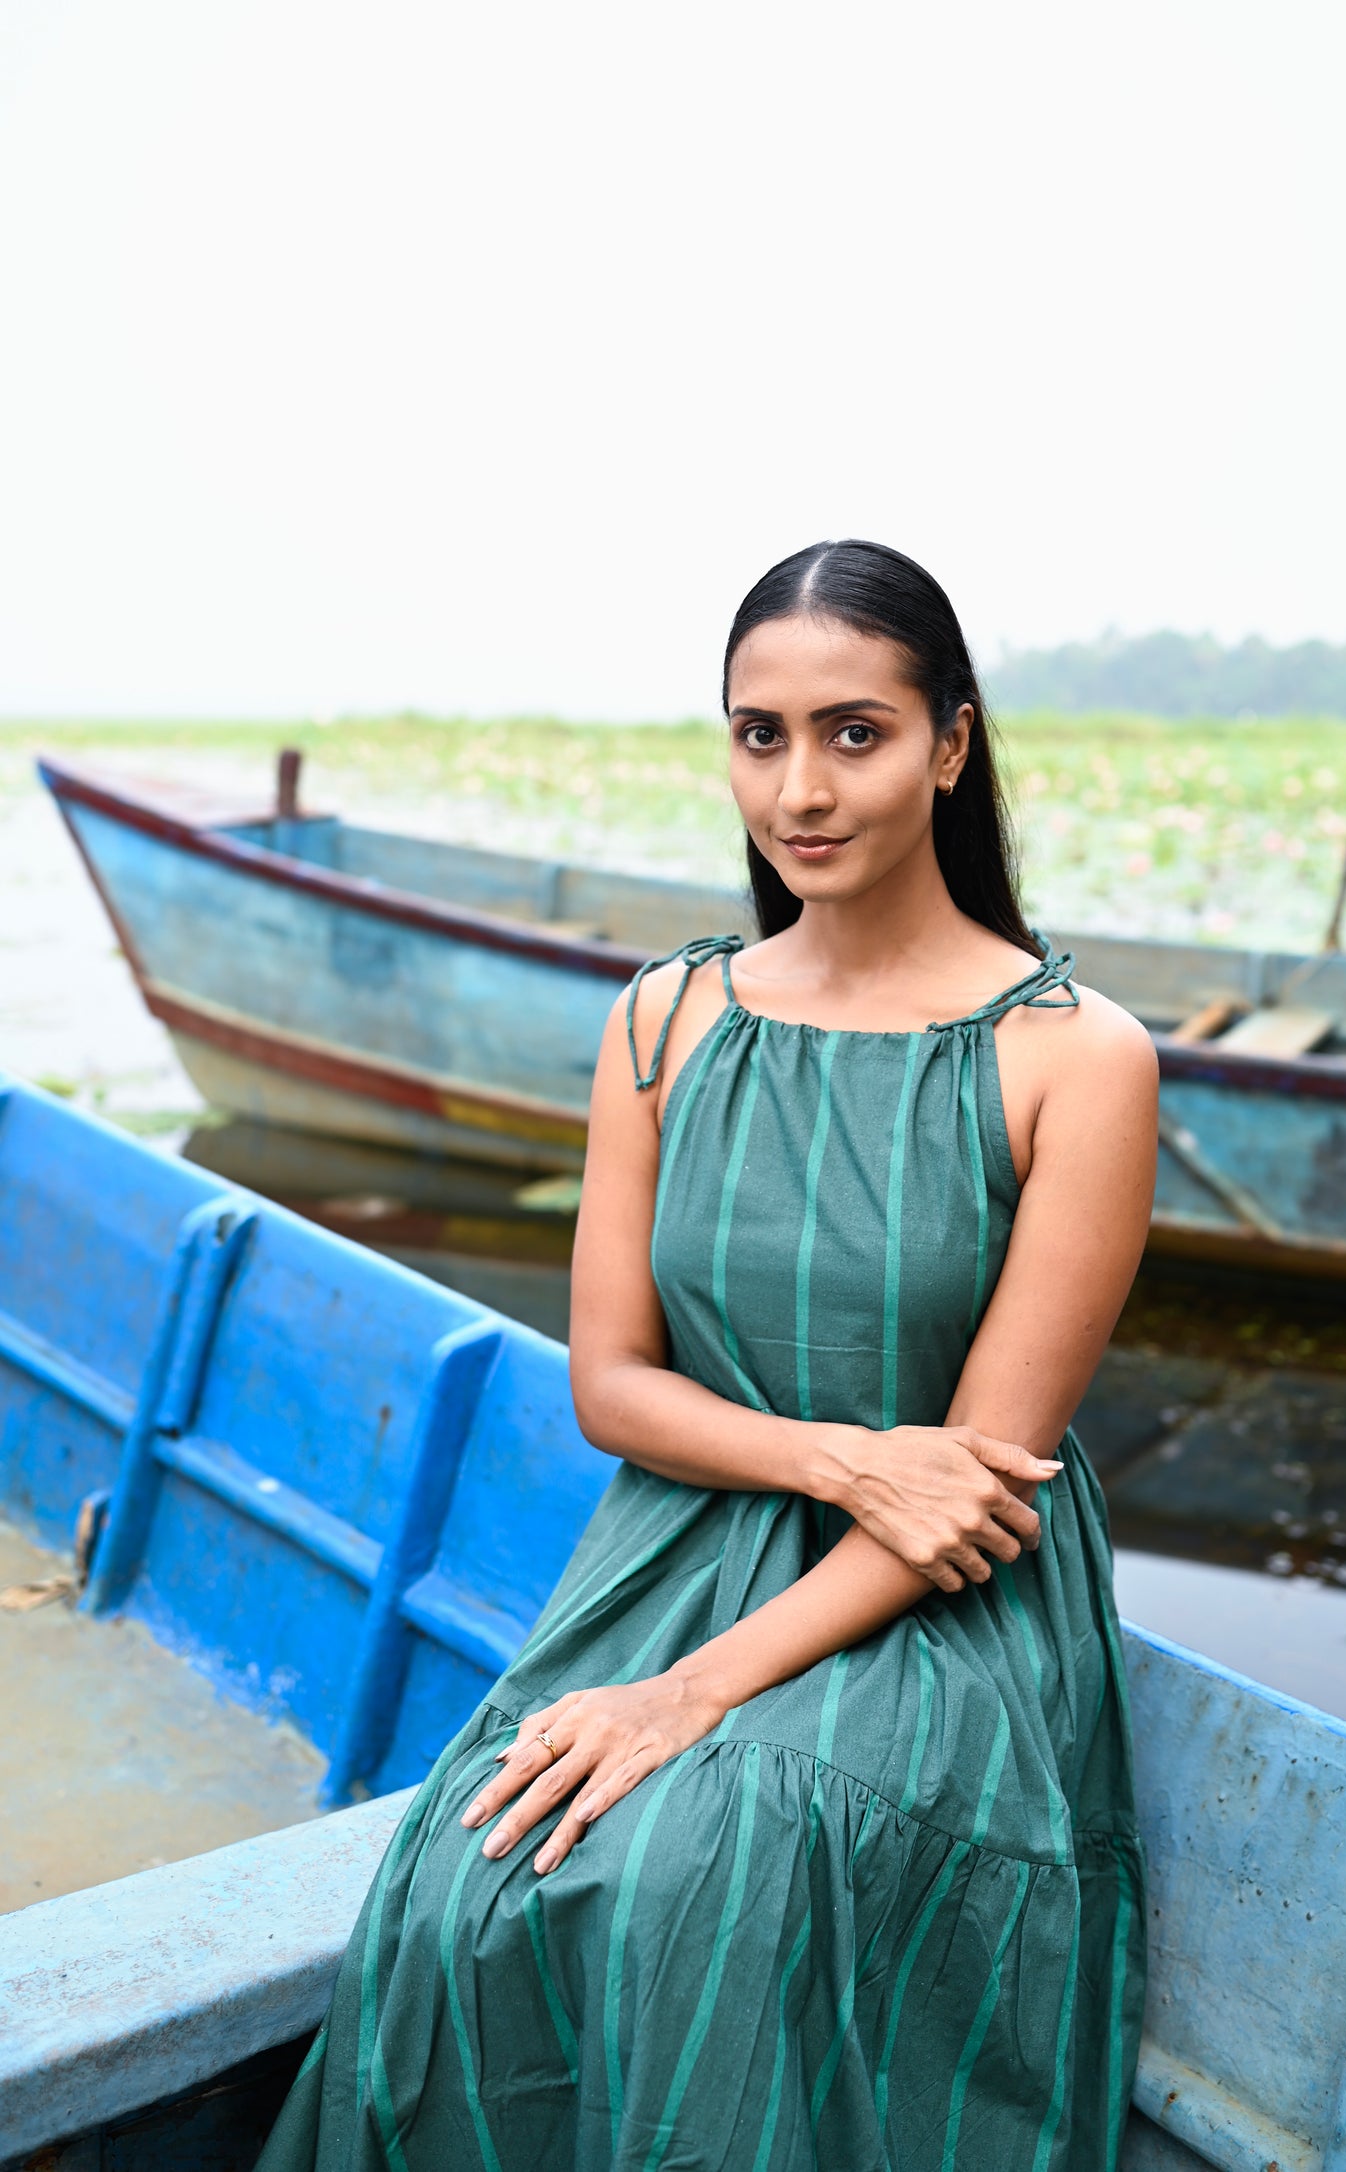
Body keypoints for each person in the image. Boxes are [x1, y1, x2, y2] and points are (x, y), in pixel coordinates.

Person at [258, 539, 1156, 2171]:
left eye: (853, 732)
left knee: (707, 1858)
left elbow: (976, 1489)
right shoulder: (664, 1020)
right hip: (688, 1540)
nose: (800, 787)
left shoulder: (1075, 1061)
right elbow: (614, 1384)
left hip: (944, 1606)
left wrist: (684, 1698)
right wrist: (831, 1456)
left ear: (950, 744)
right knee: (473, 1878)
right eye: (760, 735)